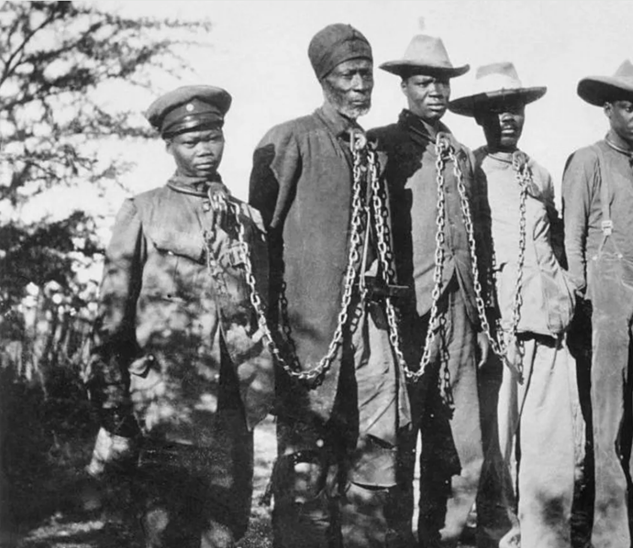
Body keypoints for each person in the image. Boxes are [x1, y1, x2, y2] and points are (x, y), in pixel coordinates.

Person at [85, 85, 274, 548]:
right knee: (164, 528)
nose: (204, 150)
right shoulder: (143, 211)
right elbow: (111, 318)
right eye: (191, 142)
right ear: (169, 145)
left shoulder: (246, 220)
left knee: (222, 529)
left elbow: (261, 311)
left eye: (212, 138)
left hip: (229, 407)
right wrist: (114, 411)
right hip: (165, 404)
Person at [248, 23, 411, 547]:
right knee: (307, 464)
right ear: (325, 79)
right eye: (349, 74)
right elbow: (260, 242)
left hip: (372, 330)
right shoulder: (291, 139)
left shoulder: (373, 151)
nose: (362, 84)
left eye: (367, 73)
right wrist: (274, 331)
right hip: (310, 331)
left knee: (376, 451)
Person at [449, 62, 585, 548]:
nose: (508, 118)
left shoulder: (541, 174)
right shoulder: (469, 171)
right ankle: (496, 537)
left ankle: (547, 540)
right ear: (481, 117)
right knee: (496, 449)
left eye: (515, 109)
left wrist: (566, 291)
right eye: (496, 110)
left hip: (547, 328)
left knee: (550, 450)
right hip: (496, 330)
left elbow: (557, 245)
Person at [368, 34, 493, 548]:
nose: (435, 90)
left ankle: (444, 536)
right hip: (407, 313)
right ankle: (393, 536)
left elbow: (479, 238)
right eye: (423, 81)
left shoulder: (462, 153)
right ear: (404, 87)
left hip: (460, 309)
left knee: (459, 439)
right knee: (401, 432)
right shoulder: (383, 145)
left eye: (441, 81)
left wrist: (484, 320)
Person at [561, 60, 633, 548]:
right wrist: (583, 303)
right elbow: (572, 241)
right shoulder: (587, 161)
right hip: (605, 300)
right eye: (629, 107)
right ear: (607, 109)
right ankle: (610, 536)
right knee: (607, 427)